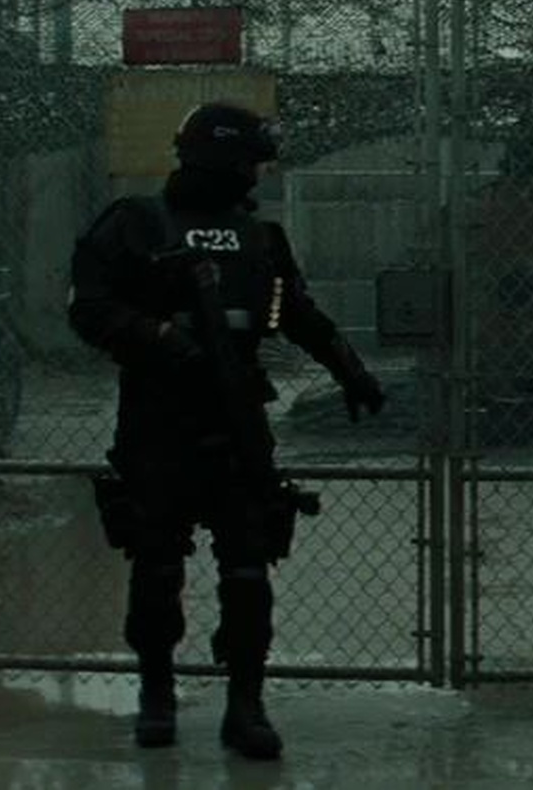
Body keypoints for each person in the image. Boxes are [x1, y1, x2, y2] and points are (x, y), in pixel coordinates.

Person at [67, 101, 387, 760]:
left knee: (247, 568)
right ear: (222, 159)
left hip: (237, 420)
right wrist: (158, 337)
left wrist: (351, 371)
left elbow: (296, 312)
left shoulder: (259, 238)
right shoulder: (137, 223)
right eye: (249, 163)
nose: (257, 176)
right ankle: (157, 694)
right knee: (156, 564)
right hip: (159, 418)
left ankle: (246, 704)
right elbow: (88, 307)